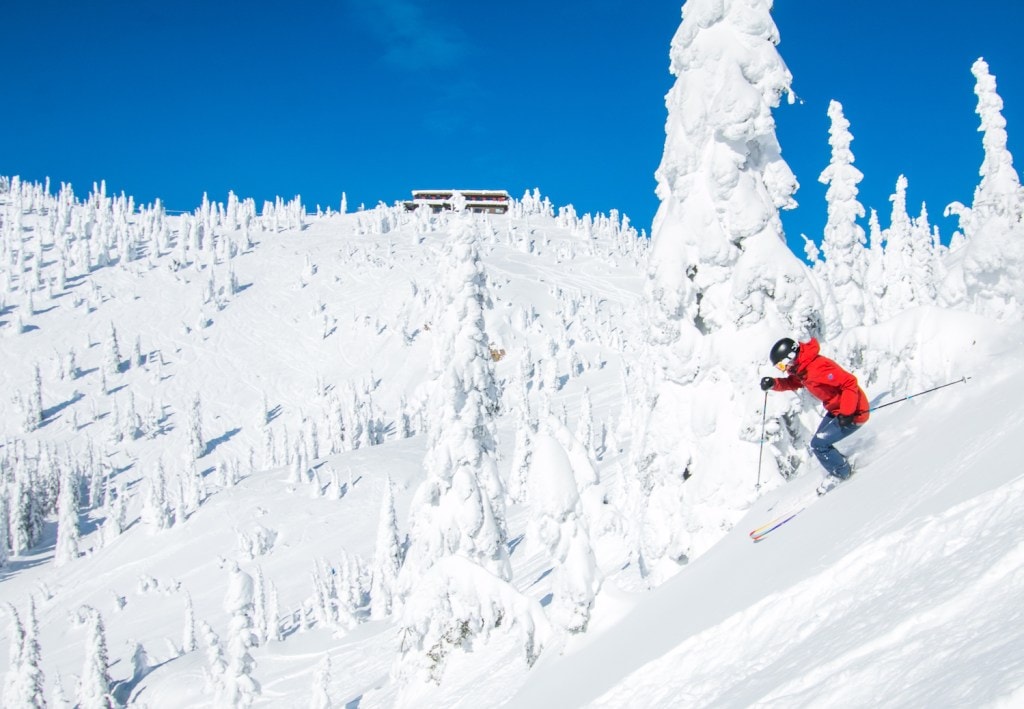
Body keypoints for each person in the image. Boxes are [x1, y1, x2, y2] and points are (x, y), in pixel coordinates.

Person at [760, 337, 869, 494]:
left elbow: (849, 382)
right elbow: (795, 383)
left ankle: (843, 473)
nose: (782, 369)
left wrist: (847, 412)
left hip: (854, 412)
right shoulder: (802, 367)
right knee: (818, 442)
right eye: (779, 367)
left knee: (819, 444)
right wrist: (774, 384)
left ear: (791, 356)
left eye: (782, 364)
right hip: (838, 410)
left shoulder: (817, 368)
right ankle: (841, 464)